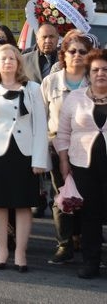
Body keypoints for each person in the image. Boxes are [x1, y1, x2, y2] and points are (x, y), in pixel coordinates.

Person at [0, 44, 48, 272]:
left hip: (24, 154)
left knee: (23, 204)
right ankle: (2, 250)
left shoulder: (33, 88)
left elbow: (41, 125)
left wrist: (39, 159)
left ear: (18, 62)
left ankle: (20, 252)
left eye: (12, 58)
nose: (7, 62)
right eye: (3, 58)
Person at [41, 30, 91, 265]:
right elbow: (41, 118)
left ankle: (84, 239)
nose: (77, 55)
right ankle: (64, 244)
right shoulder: (51, 82)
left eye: (83, 51)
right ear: (64, 54)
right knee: (61, 198)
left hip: (88, 150)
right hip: (56, 147)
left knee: (87, 196)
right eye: (72, 51)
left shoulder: (95, 80)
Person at [56, 48, 107, 279]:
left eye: (105, 69)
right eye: (95, 69)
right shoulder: (75, 98)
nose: (101, 73)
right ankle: (91, 262)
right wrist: (64, 161)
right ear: (88, 73)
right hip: (83, 166)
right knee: (90, 216)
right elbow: (63, 134)